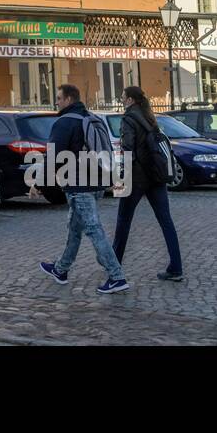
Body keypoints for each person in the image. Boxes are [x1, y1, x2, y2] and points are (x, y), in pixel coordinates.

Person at [39, 84, 129, 294]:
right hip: (97, 181)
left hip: (79, 184)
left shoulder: (65, 122)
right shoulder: (91, 117)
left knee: (93, 229)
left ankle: (116, 276)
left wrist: (39, 181)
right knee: (74, 228)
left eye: (59, 98)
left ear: (69, 99)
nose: (57, 102)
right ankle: (61, 269)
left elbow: (54, 155)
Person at [112, 86, 183, 281]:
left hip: (136, 177)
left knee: (123, 221)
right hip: (156, 176)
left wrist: (120, 181)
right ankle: (176, 267)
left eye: (123, 97)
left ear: (131, 100)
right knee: (166, 221)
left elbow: (127, 150)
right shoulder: (150, 117)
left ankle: (114, 264)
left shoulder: (128, 119)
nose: (122, 100)